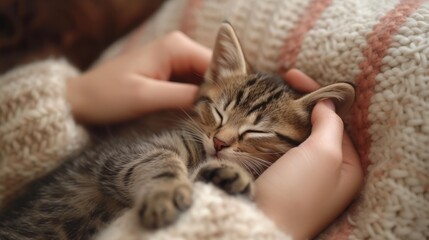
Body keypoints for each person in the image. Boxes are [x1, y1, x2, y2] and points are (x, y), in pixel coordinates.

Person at [0, 32, 363, 239]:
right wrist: (269, 221)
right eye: (217, 114)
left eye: (257, 133)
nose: (221, 138)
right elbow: (121, 168)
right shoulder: (188, 143)